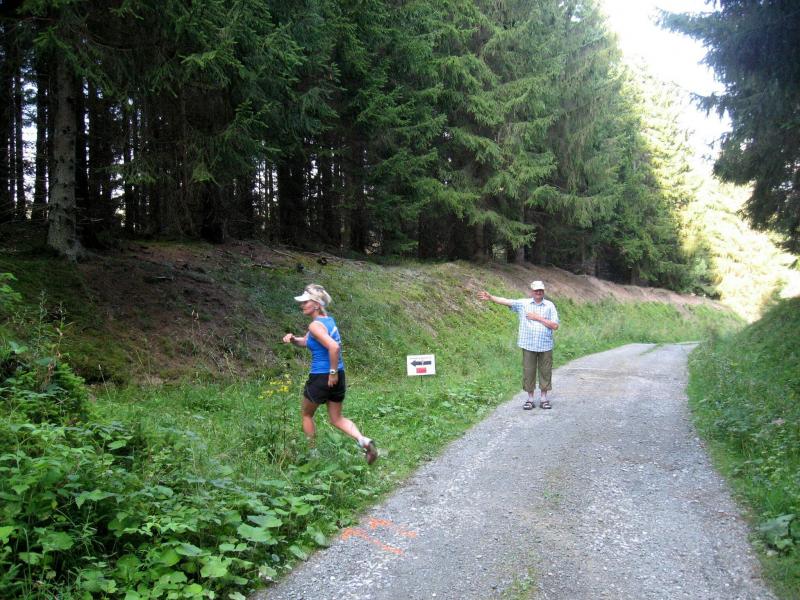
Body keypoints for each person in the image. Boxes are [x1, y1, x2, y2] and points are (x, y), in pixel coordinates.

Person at [282, 284, 378, 464]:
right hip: (339, 375)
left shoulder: (315, 325)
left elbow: (334, 347)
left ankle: (313, 456)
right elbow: (307, 342)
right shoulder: (327, 321)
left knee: (306, 415)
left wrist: (331, 373)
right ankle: (364, 441)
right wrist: (294, 339)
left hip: (322, 376)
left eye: (305, 302)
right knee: (337, 418)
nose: (302, 305)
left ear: (316, 305)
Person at [478, 280, 559, 409]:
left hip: (545, 345)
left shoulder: (550, 305)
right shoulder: (523, 304)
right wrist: (491, 297)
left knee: (545, 371)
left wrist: (537, 317)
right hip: (528, 344)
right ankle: (530, 399)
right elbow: (506, 301)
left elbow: (555, 325)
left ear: (543, 291)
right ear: (532, 291)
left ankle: (544, 399)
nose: (538, 292)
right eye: (536, 290)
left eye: (540, 290)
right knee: (528, 371)